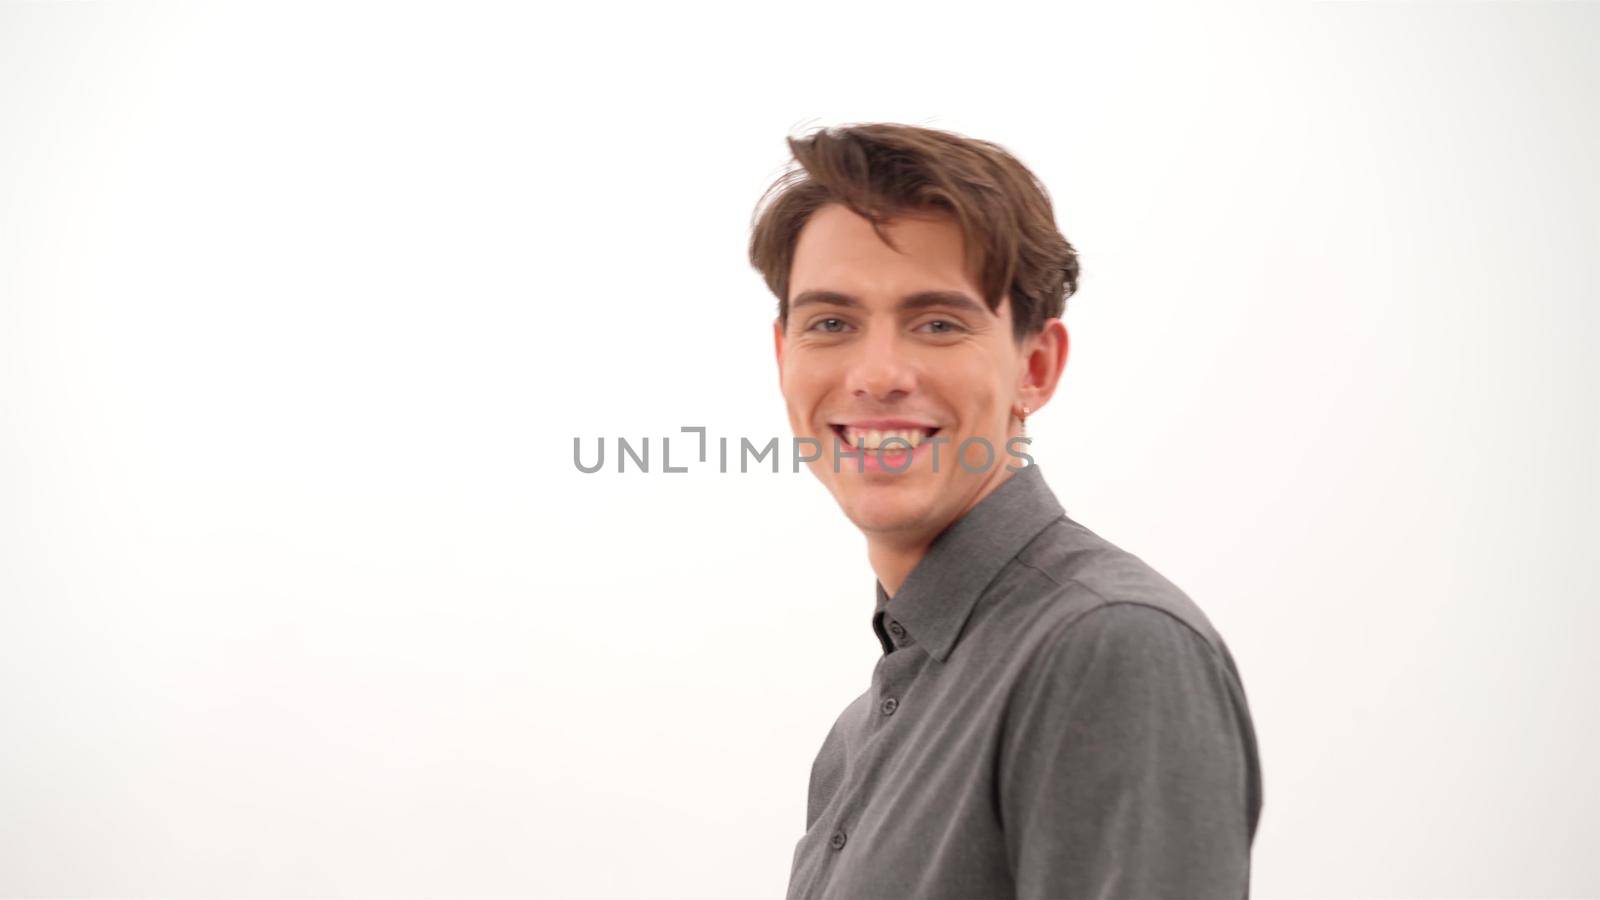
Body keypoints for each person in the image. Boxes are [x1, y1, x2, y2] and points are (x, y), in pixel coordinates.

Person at [748, 123, 1263, 899]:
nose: (878, 373)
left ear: (1036, 366)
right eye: (832, 323)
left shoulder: (1109, 647)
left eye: (938, 323)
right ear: (785, 358)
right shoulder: (859, 735)